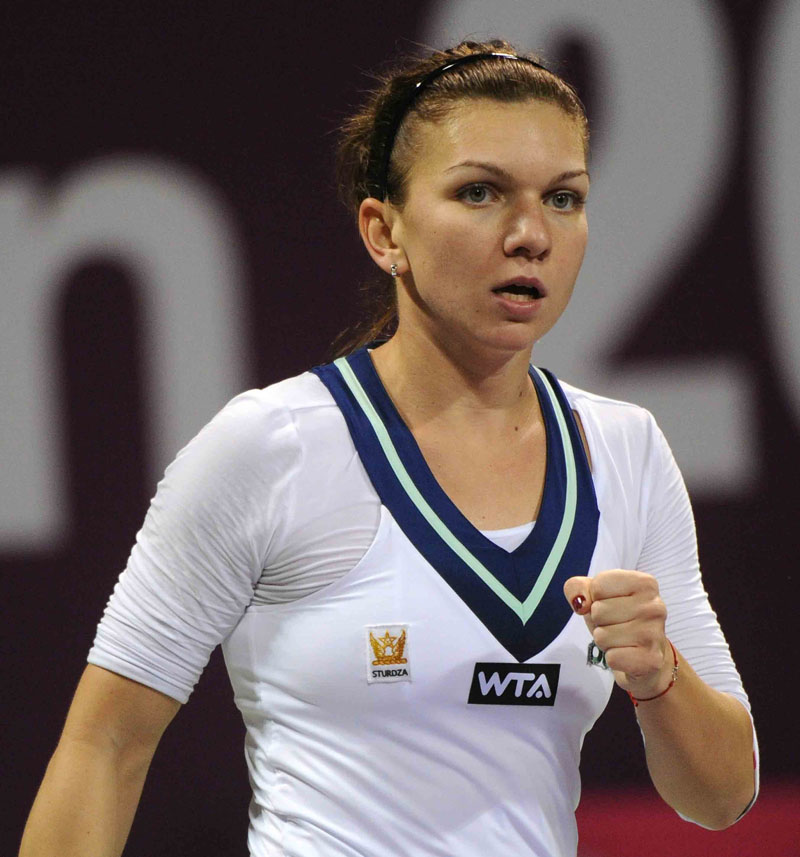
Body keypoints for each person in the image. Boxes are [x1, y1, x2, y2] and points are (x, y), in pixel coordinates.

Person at [19, 39, 758, 857]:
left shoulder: (626, 449)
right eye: (479, 192)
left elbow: (724, 795)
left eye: (563, 198)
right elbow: (104, 747)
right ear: (384, 230)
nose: (530, 234)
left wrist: (659, 676)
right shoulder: (269, 447)